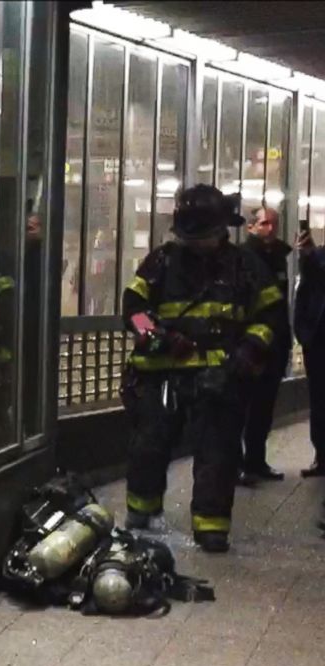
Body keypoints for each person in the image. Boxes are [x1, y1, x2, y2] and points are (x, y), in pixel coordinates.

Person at [120, 185, 284, 553]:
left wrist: (249, 352)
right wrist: (159, 337)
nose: (197, 244)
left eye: (204, 236)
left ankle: (211, 527)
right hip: (160, 374)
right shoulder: (161, 262)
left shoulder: (246, 266)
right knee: (149, 444)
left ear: (223, 229)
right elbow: (133, 307)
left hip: (221, 376)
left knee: (219, 451)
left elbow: (270, 314)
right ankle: (141, 515)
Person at [239, 207, 292, 481]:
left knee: (263, 410)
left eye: (273, 224)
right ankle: (240, 465)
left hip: (274, 346)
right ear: (251, 227)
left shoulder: (278, 257)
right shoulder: (245, 259)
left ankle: (256, 461)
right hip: (251, 347)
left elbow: (280, 309)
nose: (270, 229)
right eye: (264, 223)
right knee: (244, 409)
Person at [294, 226, 325, 476]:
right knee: (319, 400)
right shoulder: (315, 257)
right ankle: (322, 455)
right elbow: (304, 294)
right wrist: (304, 335)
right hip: (319, 343)